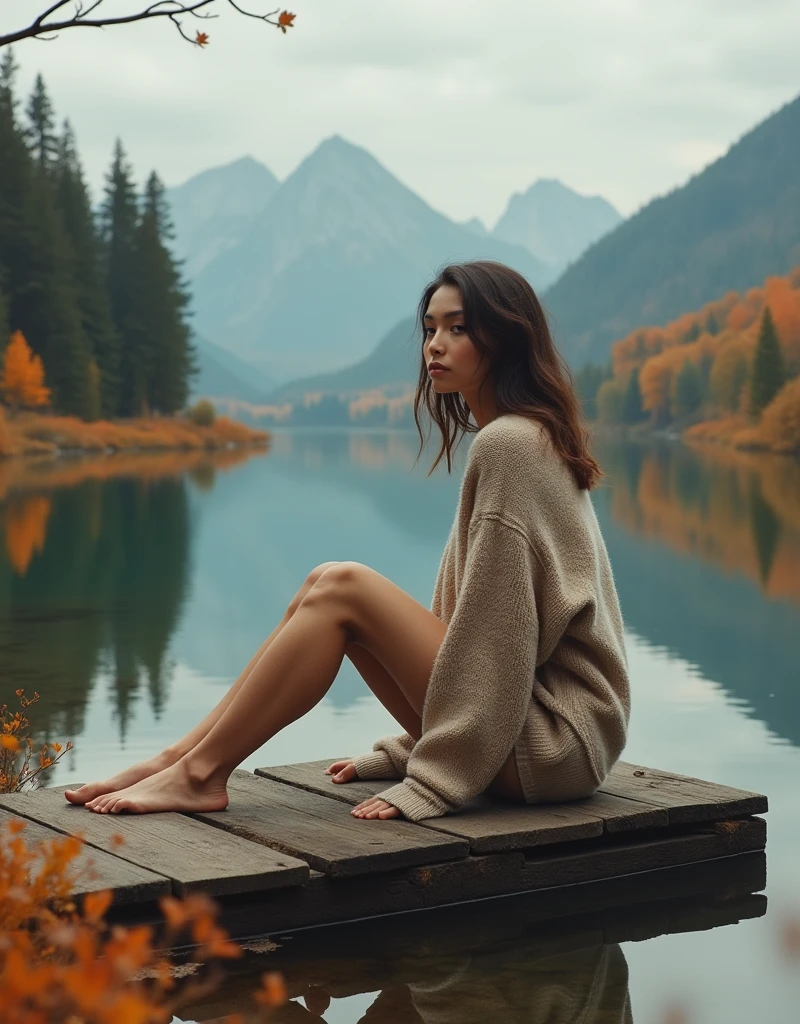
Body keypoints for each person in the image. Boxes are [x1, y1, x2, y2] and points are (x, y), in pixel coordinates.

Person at [64, 260, 630, 819]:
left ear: (507, 337)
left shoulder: (512, 444)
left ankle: (198, 774)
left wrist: (434, 778)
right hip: (537, 736)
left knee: (342, 587)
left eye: (458, 328)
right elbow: (477, 626)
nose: (435, 344)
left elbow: (499, 637)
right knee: (325, 585)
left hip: (553, 746)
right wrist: (411, 746)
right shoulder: (520, 436)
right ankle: (178, 759)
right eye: (430, 328)